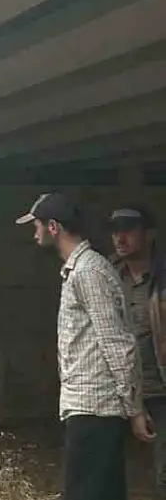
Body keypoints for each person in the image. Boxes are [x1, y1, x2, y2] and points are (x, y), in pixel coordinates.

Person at [17, 192, 143, 500]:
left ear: (54, 228)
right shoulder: (83, 269)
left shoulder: (89, 272)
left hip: (95, 408)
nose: (35, 232)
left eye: (37, 225)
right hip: (88, 407)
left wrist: (134, 408)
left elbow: (116, 341)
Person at [108, 205, 166, 496]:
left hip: (160, 390)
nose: (120, 237)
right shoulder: (107, 277)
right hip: (119, 393)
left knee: (163, 475)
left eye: (129, 229)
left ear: (149, 234)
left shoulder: (163, 277)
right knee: (109, 471)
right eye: (116, 231)